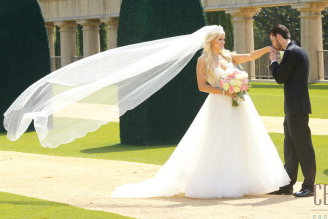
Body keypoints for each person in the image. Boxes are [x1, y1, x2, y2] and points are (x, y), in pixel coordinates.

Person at [112, 26, 290, 198]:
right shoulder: (203, 60)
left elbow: (250, 56)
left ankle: (244, 180)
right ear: (210, 40)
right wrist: (224, 91)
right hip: (219, 103)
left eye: (223, 39)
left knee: (243, 138)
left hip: (240, 103)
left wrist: (267, 49)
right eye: (219, 39)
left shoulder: (228, 56)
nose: (222, 41)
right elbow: (202, 86)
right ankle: (219, 182)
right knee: (218, 140)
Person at [268, 24, 316, 198]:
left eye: (273, 40)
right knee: (290, 146)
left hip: (296, 108)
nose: (273, 45)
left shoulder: (291, 52)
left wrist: (273, 61)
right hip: (293, 107)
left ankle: (309, 186)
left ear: (278, 37)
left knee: (303, 146)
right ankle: (287, 184)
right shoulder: (297, 51)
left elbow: (280, 78)